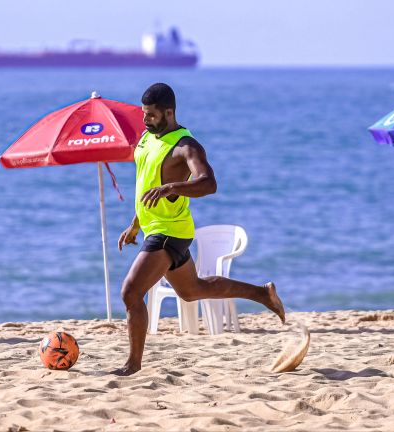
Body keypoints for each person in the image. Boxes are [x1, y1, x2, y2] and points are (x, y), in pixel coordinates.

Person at [116, 83, 286, 376]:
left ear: (169, 112)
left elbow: (209, 182)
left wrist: (172, 187)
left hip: (169, 231)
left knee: (131, 293)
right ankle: (262, 294)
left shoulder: (186, 146)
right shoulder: (146, 138)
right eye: (144, 114)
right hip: (155, 227)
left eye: (152, 115)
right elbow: (146, 185)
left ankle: (133, 365)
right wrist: (135, 225)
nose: (145, 120)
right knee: (192, 291)